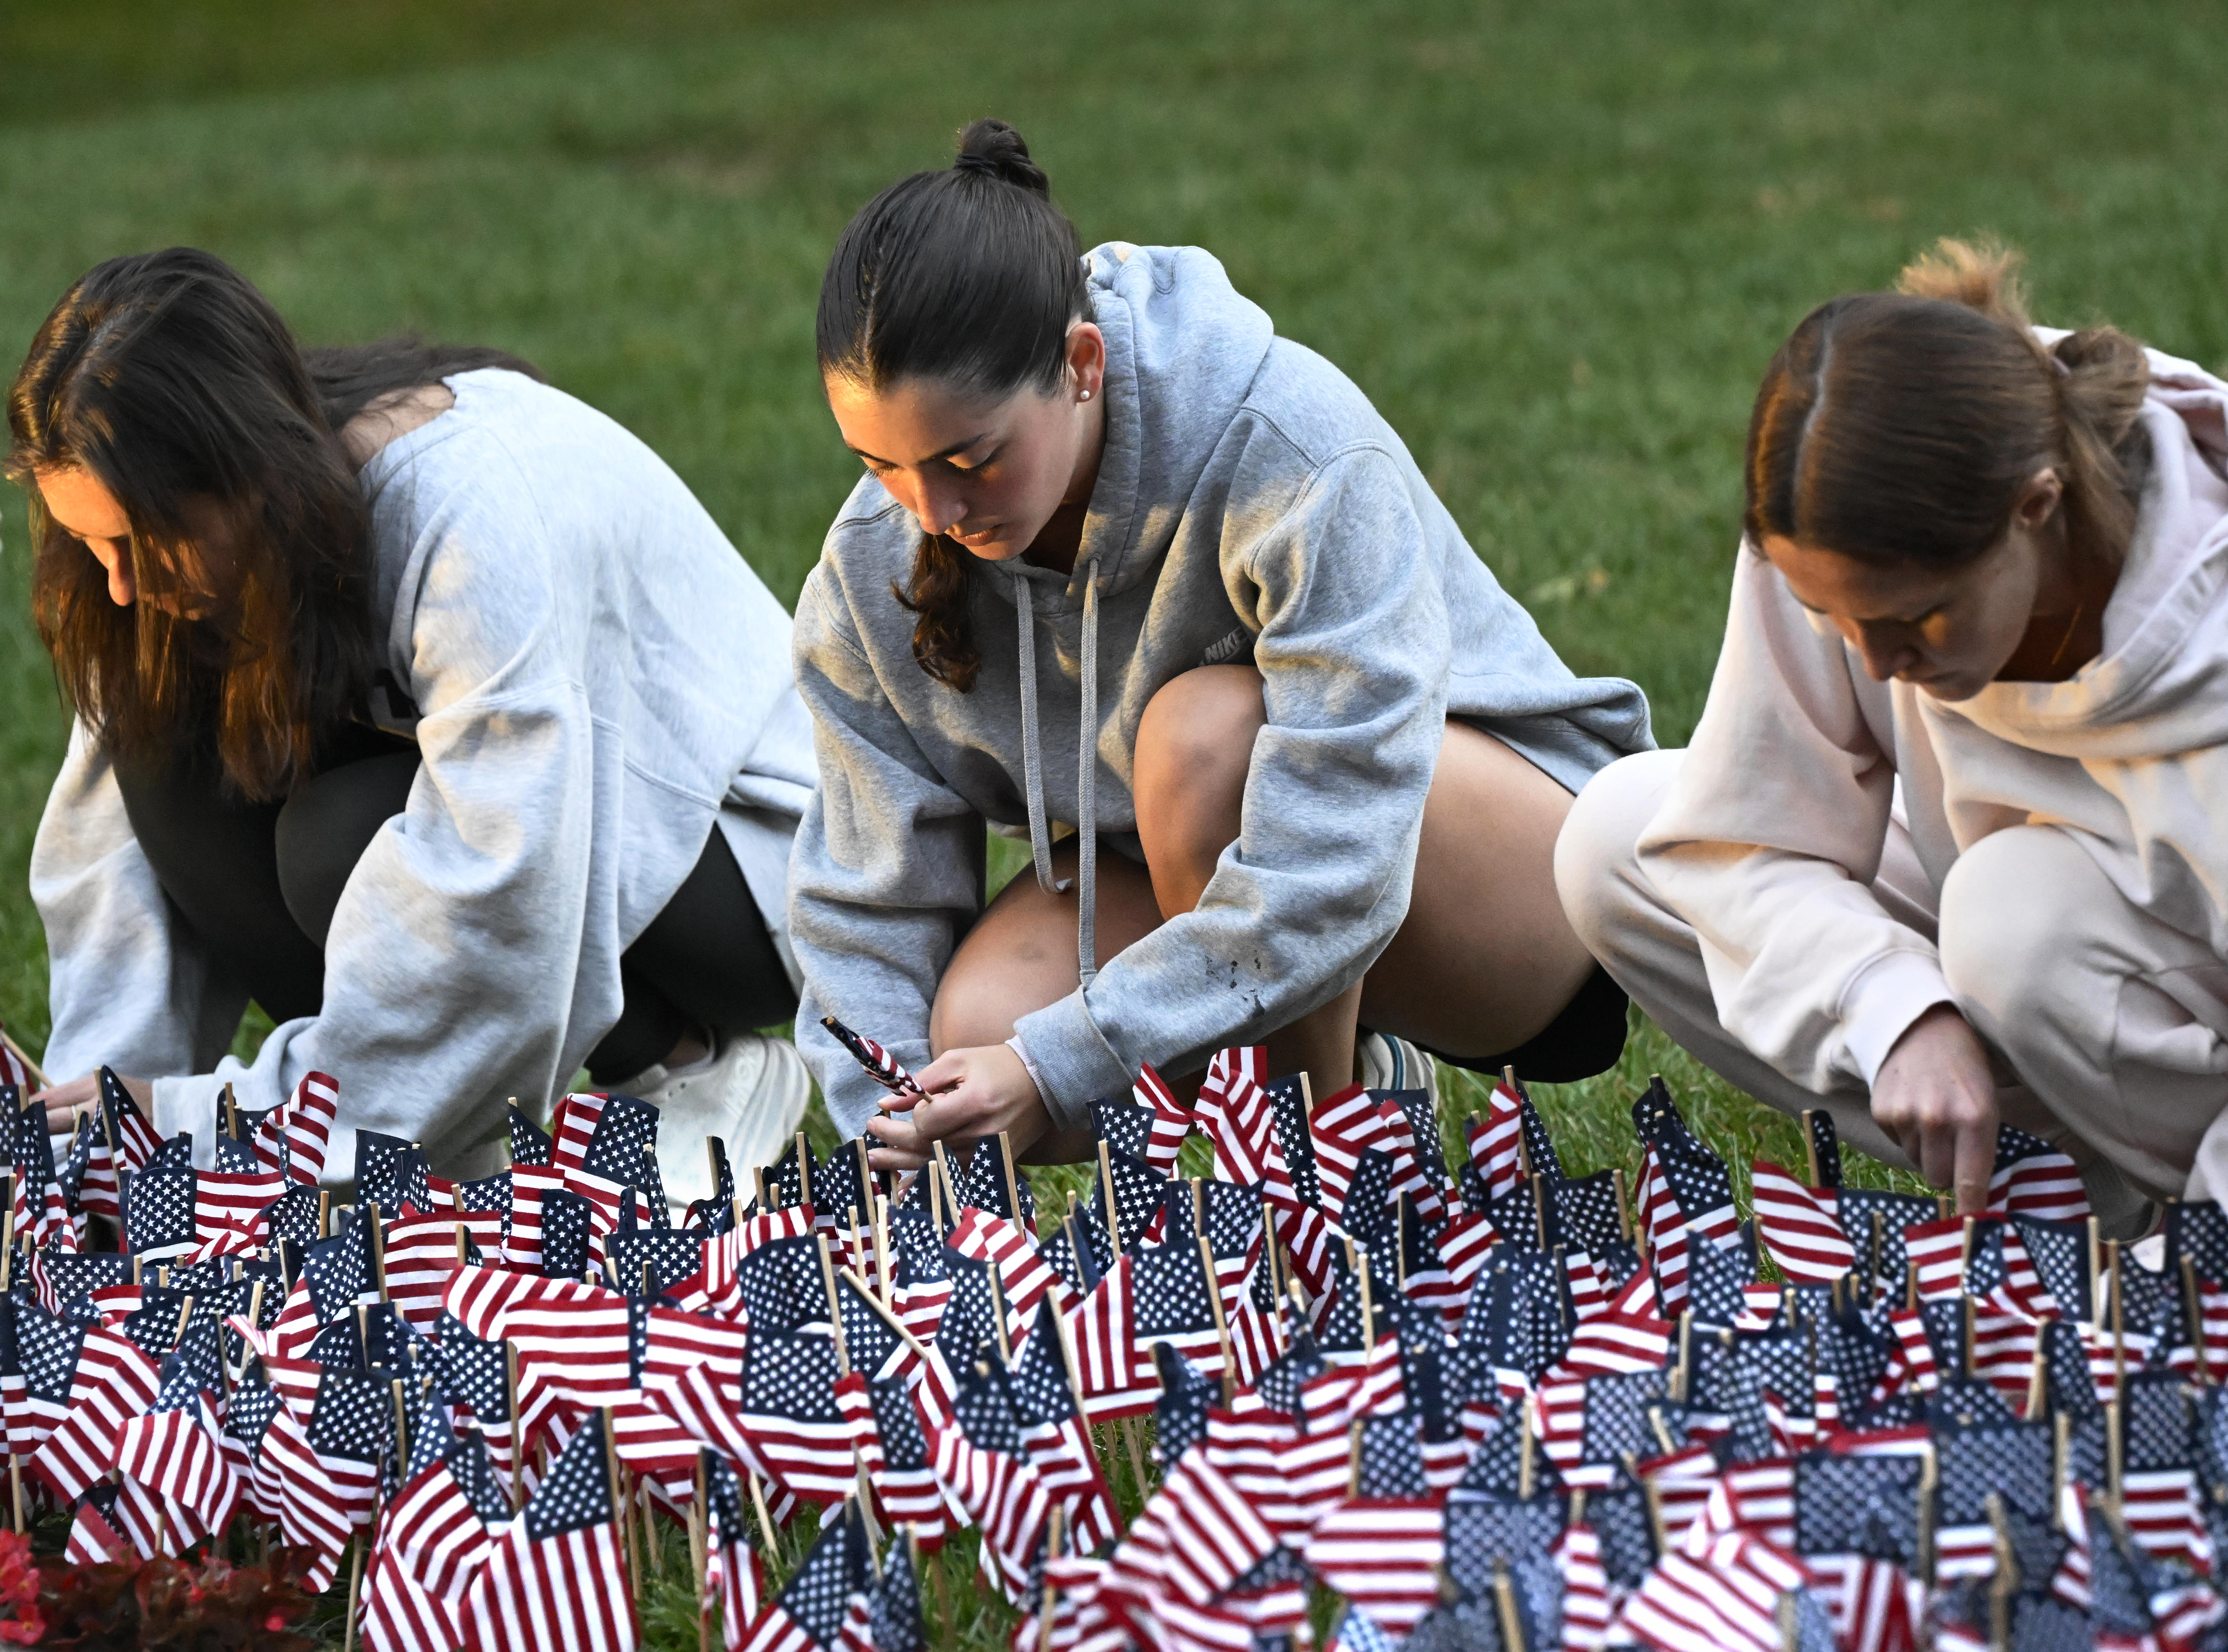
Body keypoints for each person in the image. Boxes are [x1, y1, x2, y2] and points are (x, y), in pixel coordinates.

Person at [1555, 240, 2228, 1337]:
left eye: (1912, 622)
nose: (1869, 660)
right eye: (1832, 619)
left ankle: (2165, 1241)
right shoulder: (1856, 516)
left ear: (2036, 508)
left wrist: (2205, 1279)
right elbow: (1734, 839)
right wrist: (1889, 1005)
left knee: (2016, 919)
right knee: (1616, 837)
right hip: (2059, 968)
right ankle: (2065, 1215)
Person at [789, 119, 1652, 1169]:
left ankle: (1322, 1176)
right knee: (975, 1049)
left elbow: (1335, 859)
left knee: (1201, 739)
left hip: (1517, 898)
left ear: (1080, 365)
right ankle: (1364, 1074)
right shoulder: (869, 566)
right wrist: (881, 1125)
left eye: (972, 459)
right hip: (1201, 875)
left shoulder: (1286, 445)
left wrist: (1068, 1054)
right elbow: (865, 896)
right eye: (882, 464)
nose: (929, 508)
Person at [14, 248, 816, 1200]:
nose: (121, 580)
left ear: (251, 472)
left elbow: (501, 881)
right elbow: (115, 875)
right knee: (164, 759)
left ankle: (685, 1065)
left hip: (754, 866)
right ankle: (413, 1136)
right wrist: (94, 1139)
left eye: (144, 541)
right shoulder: (165, 578)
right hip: (575, 847)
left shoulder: (472, 514)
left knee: (341, 839)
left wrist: (228, 1127)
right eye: (91, 542)